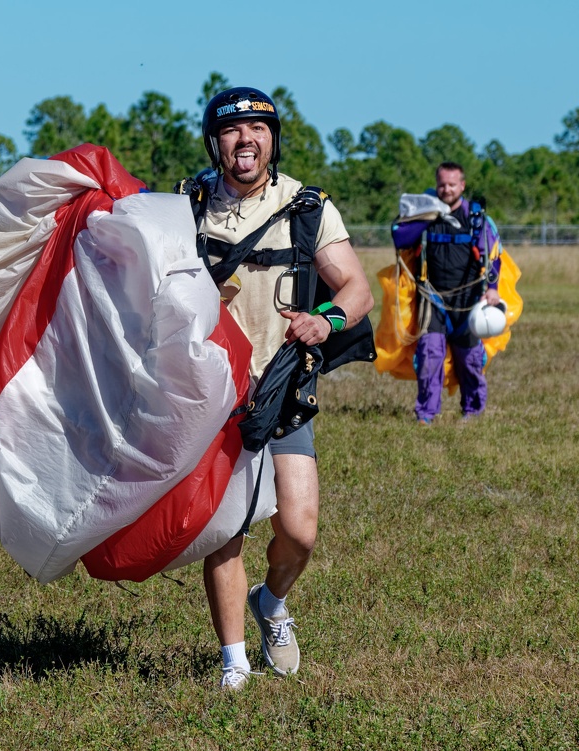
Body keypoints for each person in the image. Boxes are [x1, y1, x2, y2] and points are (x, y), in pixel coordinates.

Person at [192, 87, 374, 688]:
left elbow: (355, 288)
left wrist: (328, 319)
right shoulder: (189, 205)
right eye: (231, 130)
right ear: (214, 141)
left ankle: (271, 602)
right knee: (225, 531)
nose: (245, 139)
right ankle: (234, 663)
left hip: (284, 387)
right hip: (213, 396)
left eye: (257, 129)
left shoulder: (306, 206)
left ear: (273, 138)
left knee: (298, 530)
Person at [413, 162, 502, 424]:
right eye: (442, 184)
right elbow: (402, 241)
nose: (446, 189)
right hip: (432, 299)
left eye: (452, 184)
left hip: (468, 301)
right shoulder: (426, 216)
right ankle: (426, 414)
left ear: (462, 185)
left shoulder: (476, 219)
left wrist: (493, 289)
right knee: (430, 355)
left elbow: (494, 256)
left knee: (470, 359)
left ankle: (473, 411)